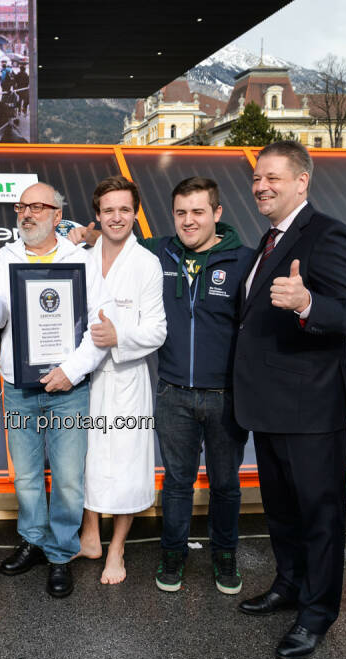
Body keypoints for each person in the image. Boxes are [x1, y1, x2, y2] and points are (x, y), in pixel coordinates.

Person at [234, 140, 346, 659]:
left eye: (272, 178)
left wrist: (308, 303)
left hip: (310, 410)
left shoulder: (329, 235)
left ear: (301, 181)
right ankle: (289, 585)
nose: (261, 187)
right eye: (257, 179)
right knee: (283, 512)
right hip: (269, 407)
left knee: (319, 515)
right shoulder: (268, 240)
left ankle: (317, 614)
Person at [0, 182, 113, 598]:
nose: (27, 213)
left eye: (38, 207)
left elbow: (98, 326)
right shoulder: (5, 257)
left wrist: (70, 371)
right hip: (19, 386)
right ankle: (34, 540)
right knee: (28, 477)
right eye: (22, 206)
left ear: (58, 215)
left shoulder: (83, 261)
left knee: (69, 479)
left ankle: (60, 554)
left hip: (68, 386)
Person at [136, 177, 253, 595]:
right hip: (172, 393)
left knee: (225, 484)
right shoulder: (156, 252)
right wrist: (82, 231)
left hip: (226, 397)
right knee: (177, 481)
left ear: (217, 214)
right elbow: (112, 238)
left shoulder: (245, 261)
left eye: (198, 212)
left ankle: (225, 554)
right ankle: (173, 553)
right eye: (181, 212)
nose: (189, 221)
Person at [74, 176, 166, 585]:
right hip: (87, 377)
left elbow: (158, 331)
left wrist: (119, 338)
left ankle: (117, 549)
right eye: (108, 209)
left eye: (124, 209)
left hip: (128, 378)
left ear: (135, 213)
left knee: (128, 465)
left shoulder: (146, 264)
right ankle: (90, 534)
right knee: (87, 457)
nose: (116, 217)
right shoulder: (80, 258)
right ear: (97, 215)